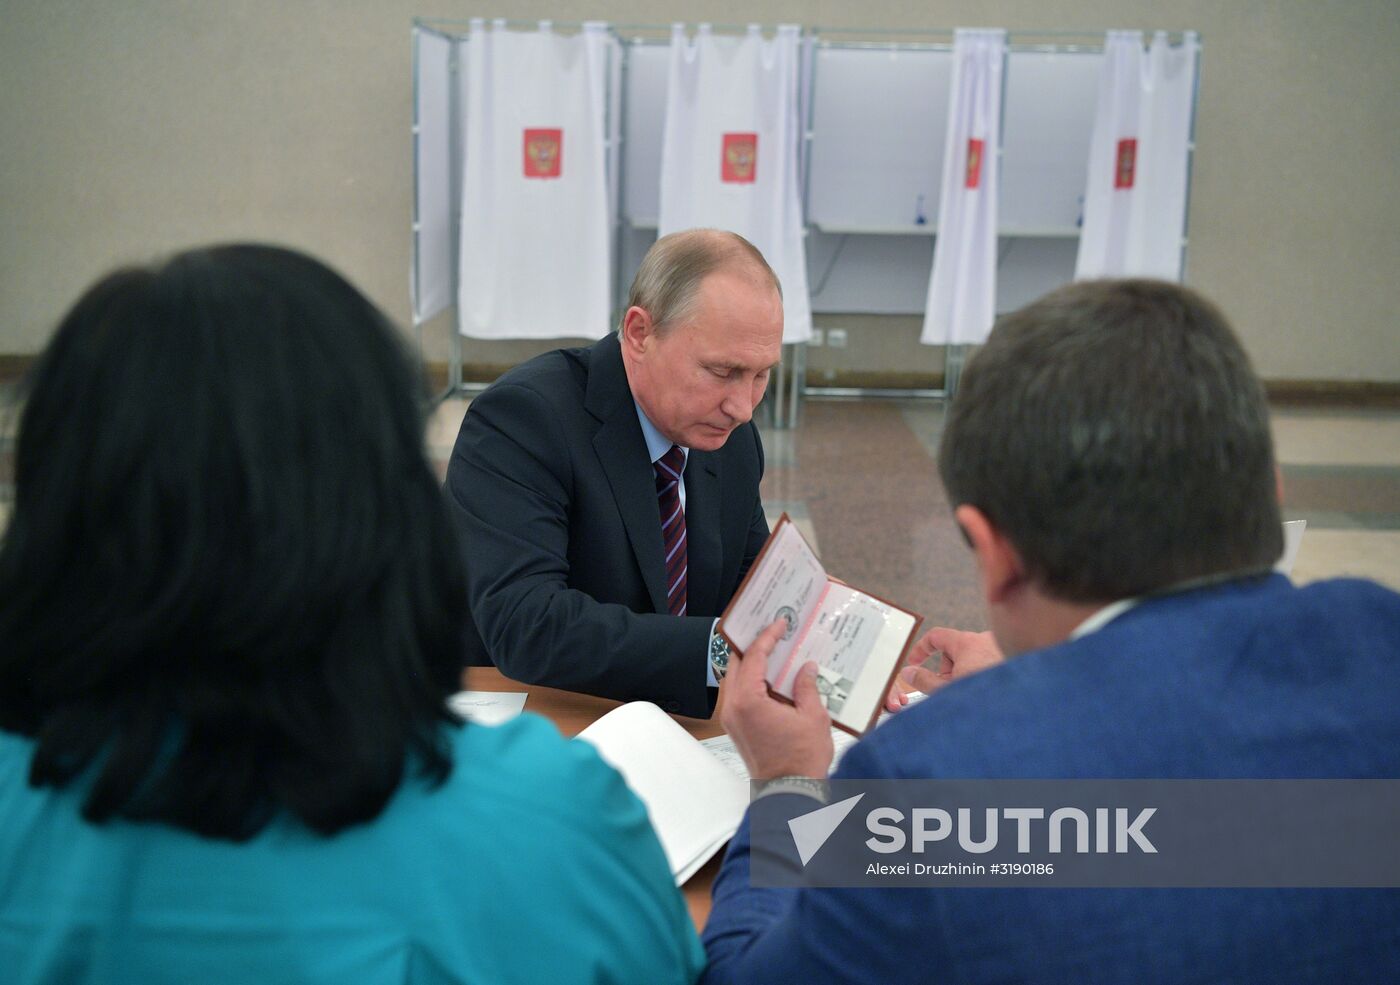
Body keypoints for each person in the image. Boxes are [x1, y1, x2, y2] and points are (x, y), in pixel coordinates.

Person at [0, 245, 702, 984]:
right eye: (725, 372)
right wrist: (797, 786)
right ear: (390, 512)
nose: (742, 401)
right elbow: (801, 951)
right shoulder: (557, 822)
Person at [702, 279, 1400, 983]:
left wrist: (787, 784)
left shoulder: (935, 782)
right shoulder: (1381, 635)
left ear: (993, 553)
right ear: (1270, 489)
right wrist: (1033, 679)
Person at [445, 228, 780, 718]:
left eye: (761, 374)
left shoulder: (727, 436)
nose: (742, 407)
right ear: (640, 333)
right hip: (531, 716)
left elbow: (753, 590)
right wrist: (719, 650)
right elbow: (527, 626)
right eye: (722, 371)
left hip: (668, 718)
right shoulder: (524, 418)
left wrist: (854, 666)